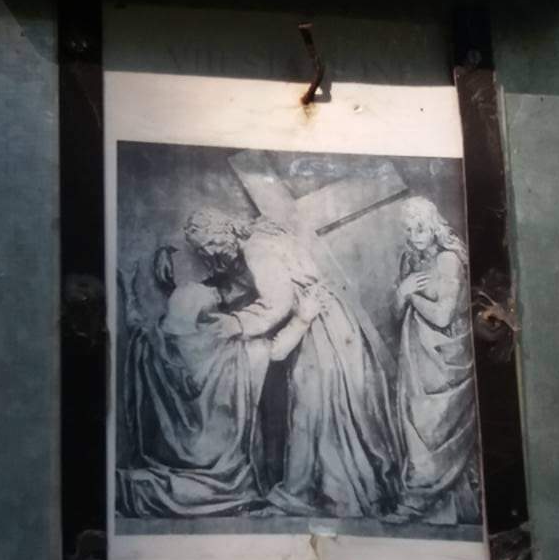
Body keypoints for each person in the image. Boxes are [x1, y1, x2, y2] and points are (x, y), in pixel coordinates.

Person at [184, 209, 403, 518]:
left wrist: (233, 324)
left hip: (319, 326)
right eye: (201, 249)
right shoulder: (260, 238)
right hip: (329, 320)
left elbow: (277, 304)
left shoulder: (256, 249)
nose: (208, 252)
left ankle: (315, 494)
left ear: (223, 231)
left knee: (312, 408)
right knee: (323, 408)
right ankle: (329, 489)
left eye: (209, 242)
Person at [116, 269, 321, 518]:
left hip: (168, 463)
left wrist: (129, 290)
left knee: (140, 485)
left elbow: (135, 323)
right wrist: (302, 319)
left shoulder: (150, 346)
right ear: (208, 321)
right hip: (225, 474)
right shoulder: (229, 353)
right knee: (210, 492)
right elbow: (277, 351)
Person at [394, 196, 481, 524]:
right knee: (416, 423)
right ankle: (429, 503)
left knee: (436, 425)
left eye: (420, 228)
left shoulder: (449, 260)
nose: (415, 235)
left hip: (446, 357)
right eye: (409, 229)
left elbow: (443, 317)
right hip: (416, 356)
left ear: (433, 226)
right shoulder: (409, 258)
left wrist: (409, 295)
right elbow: (395, 313)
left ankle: (421, 498)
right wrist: (400, 295)